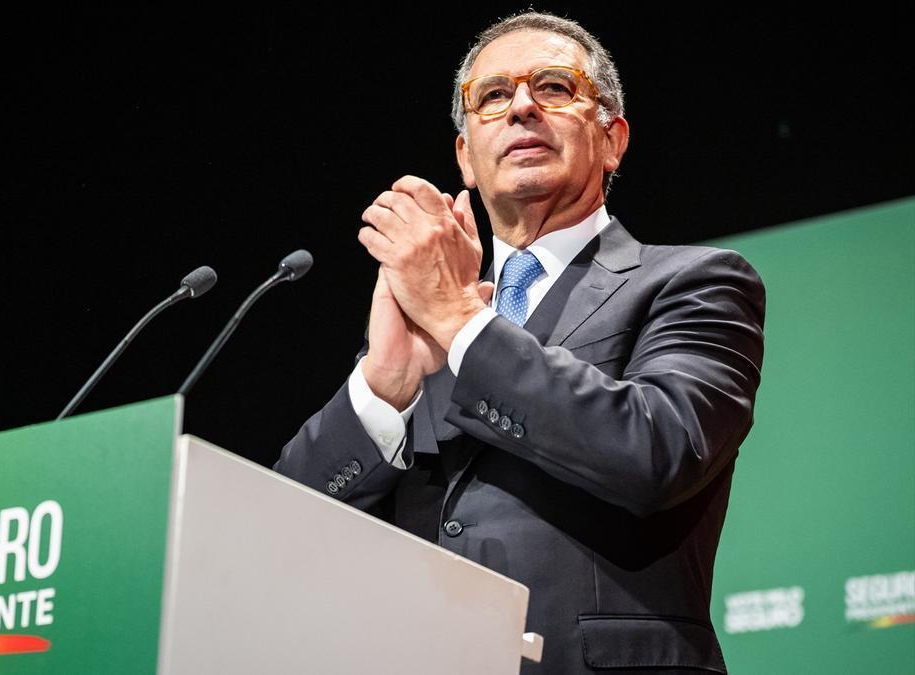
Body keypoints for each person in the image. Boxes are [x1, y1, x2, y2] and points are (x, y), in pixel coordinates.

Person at [274, 10, 765, 674]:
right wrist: (382, 387)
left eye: (556, 87)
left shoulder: (695, 282)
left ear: (613, 139)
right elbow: (280, 533)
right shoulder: (430, 316)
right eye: (494, 95)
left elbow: (658, 449)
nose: (522, 107)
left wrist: (459, 321)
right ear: (463, 157)